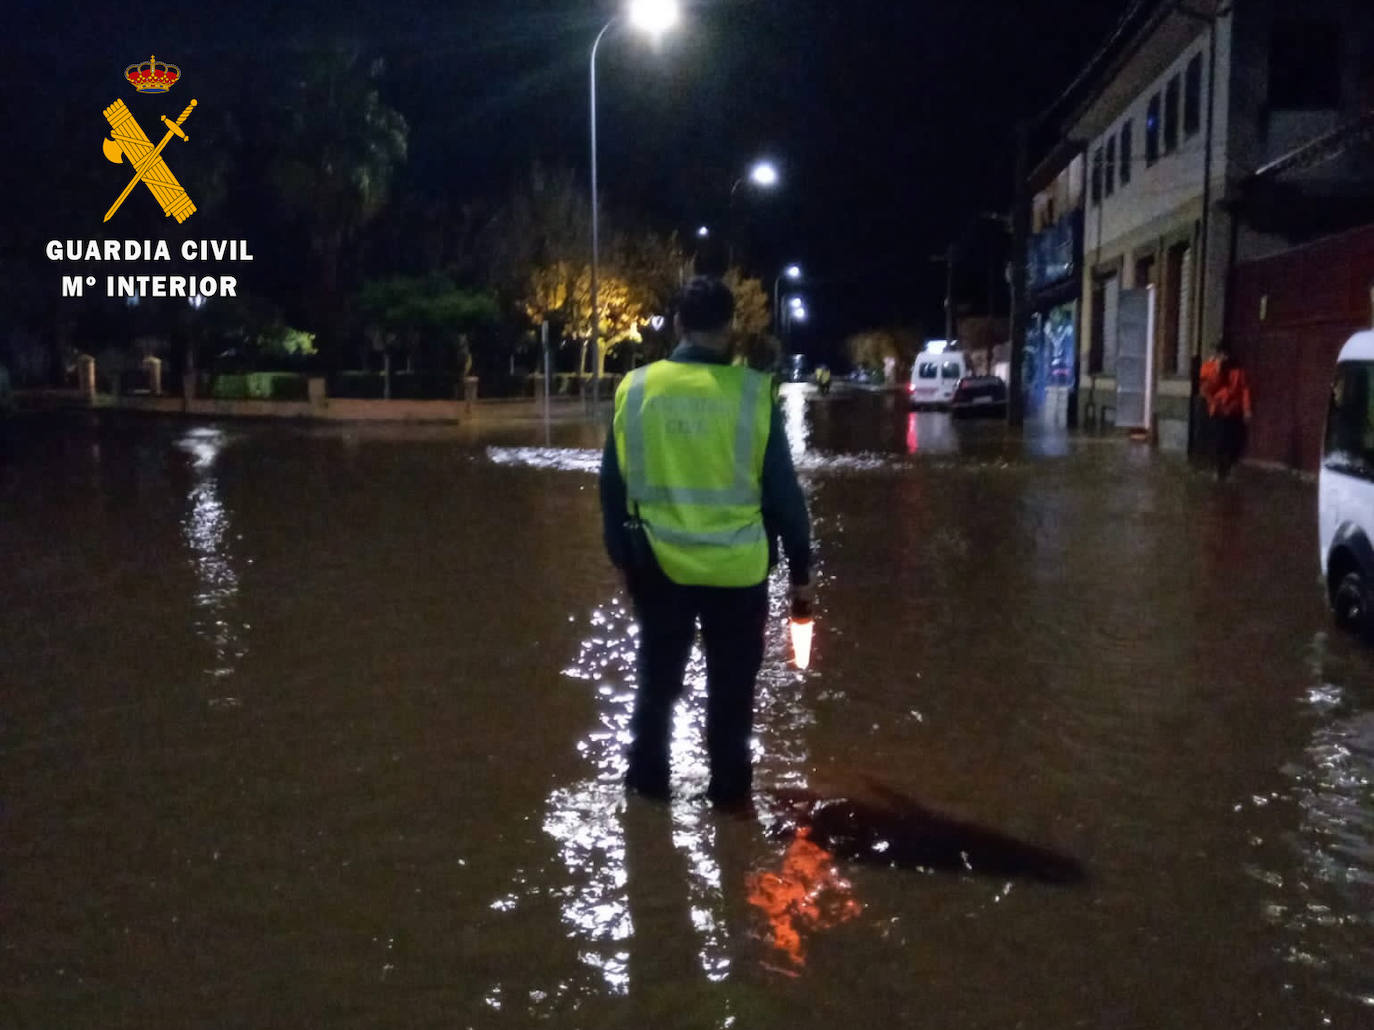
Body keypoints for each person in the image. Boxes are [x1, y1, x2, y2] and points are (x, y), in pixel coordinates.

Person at [600, 276, 813, 810]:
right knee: (732, 697)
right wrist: (802, 570)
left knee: (656, 689)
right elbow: (784, 495)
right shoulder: (754, 394)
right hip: (738, 575)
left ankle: (646, 803)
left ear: (678, 324)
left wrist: (622, 556)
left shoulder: (637, 387)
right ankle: (730, 802)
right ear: (731, 328)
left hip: (658, 568)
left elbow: (611, 484)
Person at [1199, 341, 1253, 480]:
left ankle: (1229, 469)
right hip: (1217, 411)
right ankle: (1217, 469)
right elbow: (1207, 390)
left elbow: (1244, 389)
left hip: (1233, 411)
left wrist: (1246, 409)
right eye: (1220, 354)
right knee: (1218, 442)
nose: (1223, 357)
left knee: (1231, 442)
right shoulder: (1208, 368)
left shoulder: (1238, 370)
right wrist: (1217, 371)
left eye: (1225, 354)